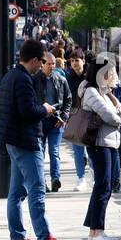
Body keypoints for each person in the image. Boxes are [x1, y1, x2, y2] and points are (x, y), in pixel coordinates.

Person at [0, 39, 67, 240]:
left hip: (13, 140)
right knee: (37, 189)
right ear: (35, 60)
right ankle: (45, 237)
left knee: (16, 192)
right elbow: (28, 112)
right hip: (26, 141)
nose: (42, 65)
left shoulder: (11, 76)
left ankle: (17, 237)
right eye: (42, 61)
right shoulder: (24, 79)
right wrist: (45, 109)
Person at [79, 59, 121, 240]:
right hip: (99, 144)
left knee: (103, 186)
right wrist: (119, 116)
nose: (112, 76)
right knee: (103, 186)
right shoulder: (91, 92)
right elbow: (110, 117)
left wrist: (115, 101)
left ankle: (93, 229)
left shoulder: (106, 93)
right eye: (109, 72)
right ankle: (97, 231)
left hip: (110, 143)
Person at [41, 48, 71, 191]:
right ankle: (42, 181)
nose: (52, 66)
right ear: (42, 64)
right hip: (39, 122)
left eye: (53, 64)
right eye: (49, 63)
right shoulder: (35, 80)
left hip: (56, 121)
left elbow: (68, 99)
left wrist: (64, 116)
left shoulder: (61, 79)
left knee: (54, 151)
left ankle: (55, 179)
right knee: (39, 153)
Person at [64, 48, 91, 190]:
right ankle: (81, 178)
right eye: (72, 61)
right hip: (75, 115)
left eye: (77, 60)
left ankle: (93, 173)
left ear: (83, 61)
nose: (74, 63)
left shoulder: (91, 76)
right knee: (77, 148)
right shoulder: (68, 78)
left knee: (93, 146)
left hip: (91, 114)